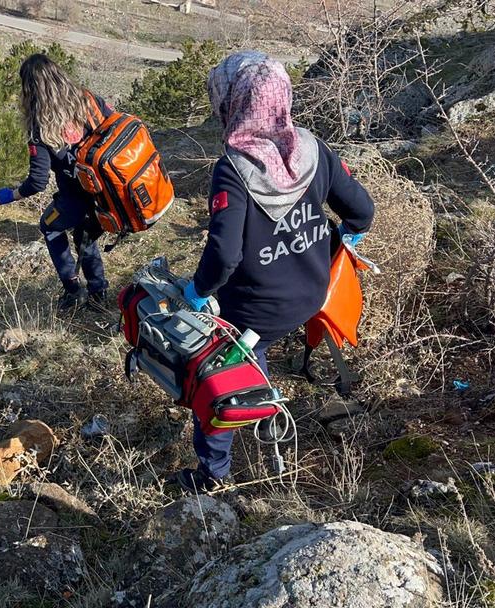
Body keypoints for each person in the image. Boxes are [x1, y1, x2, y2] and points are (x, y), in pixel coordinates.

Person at [175, 51, 376, 493]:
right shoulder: (313, 148)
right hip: (314, 291)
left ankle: (213, 474)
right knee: (256, 335)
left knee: (214, 368)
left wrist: (197, 289)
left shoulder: (234, 170)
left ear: (233, 103)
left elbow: (225, 256)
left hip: (257, 310)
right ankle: (267, 391)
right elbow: (362, 211)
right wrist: (340, 243)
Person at [0, 54, 112, 310]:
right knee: (85, 235)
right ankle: (98, 291)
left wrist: (12, 195)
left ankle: (73, 290)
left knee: (50, 227)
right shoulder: (89, 101)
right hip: (105, 192)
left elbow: (37, 182)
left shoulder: (40, 127)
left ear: (30, 89)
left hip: (75, 197)